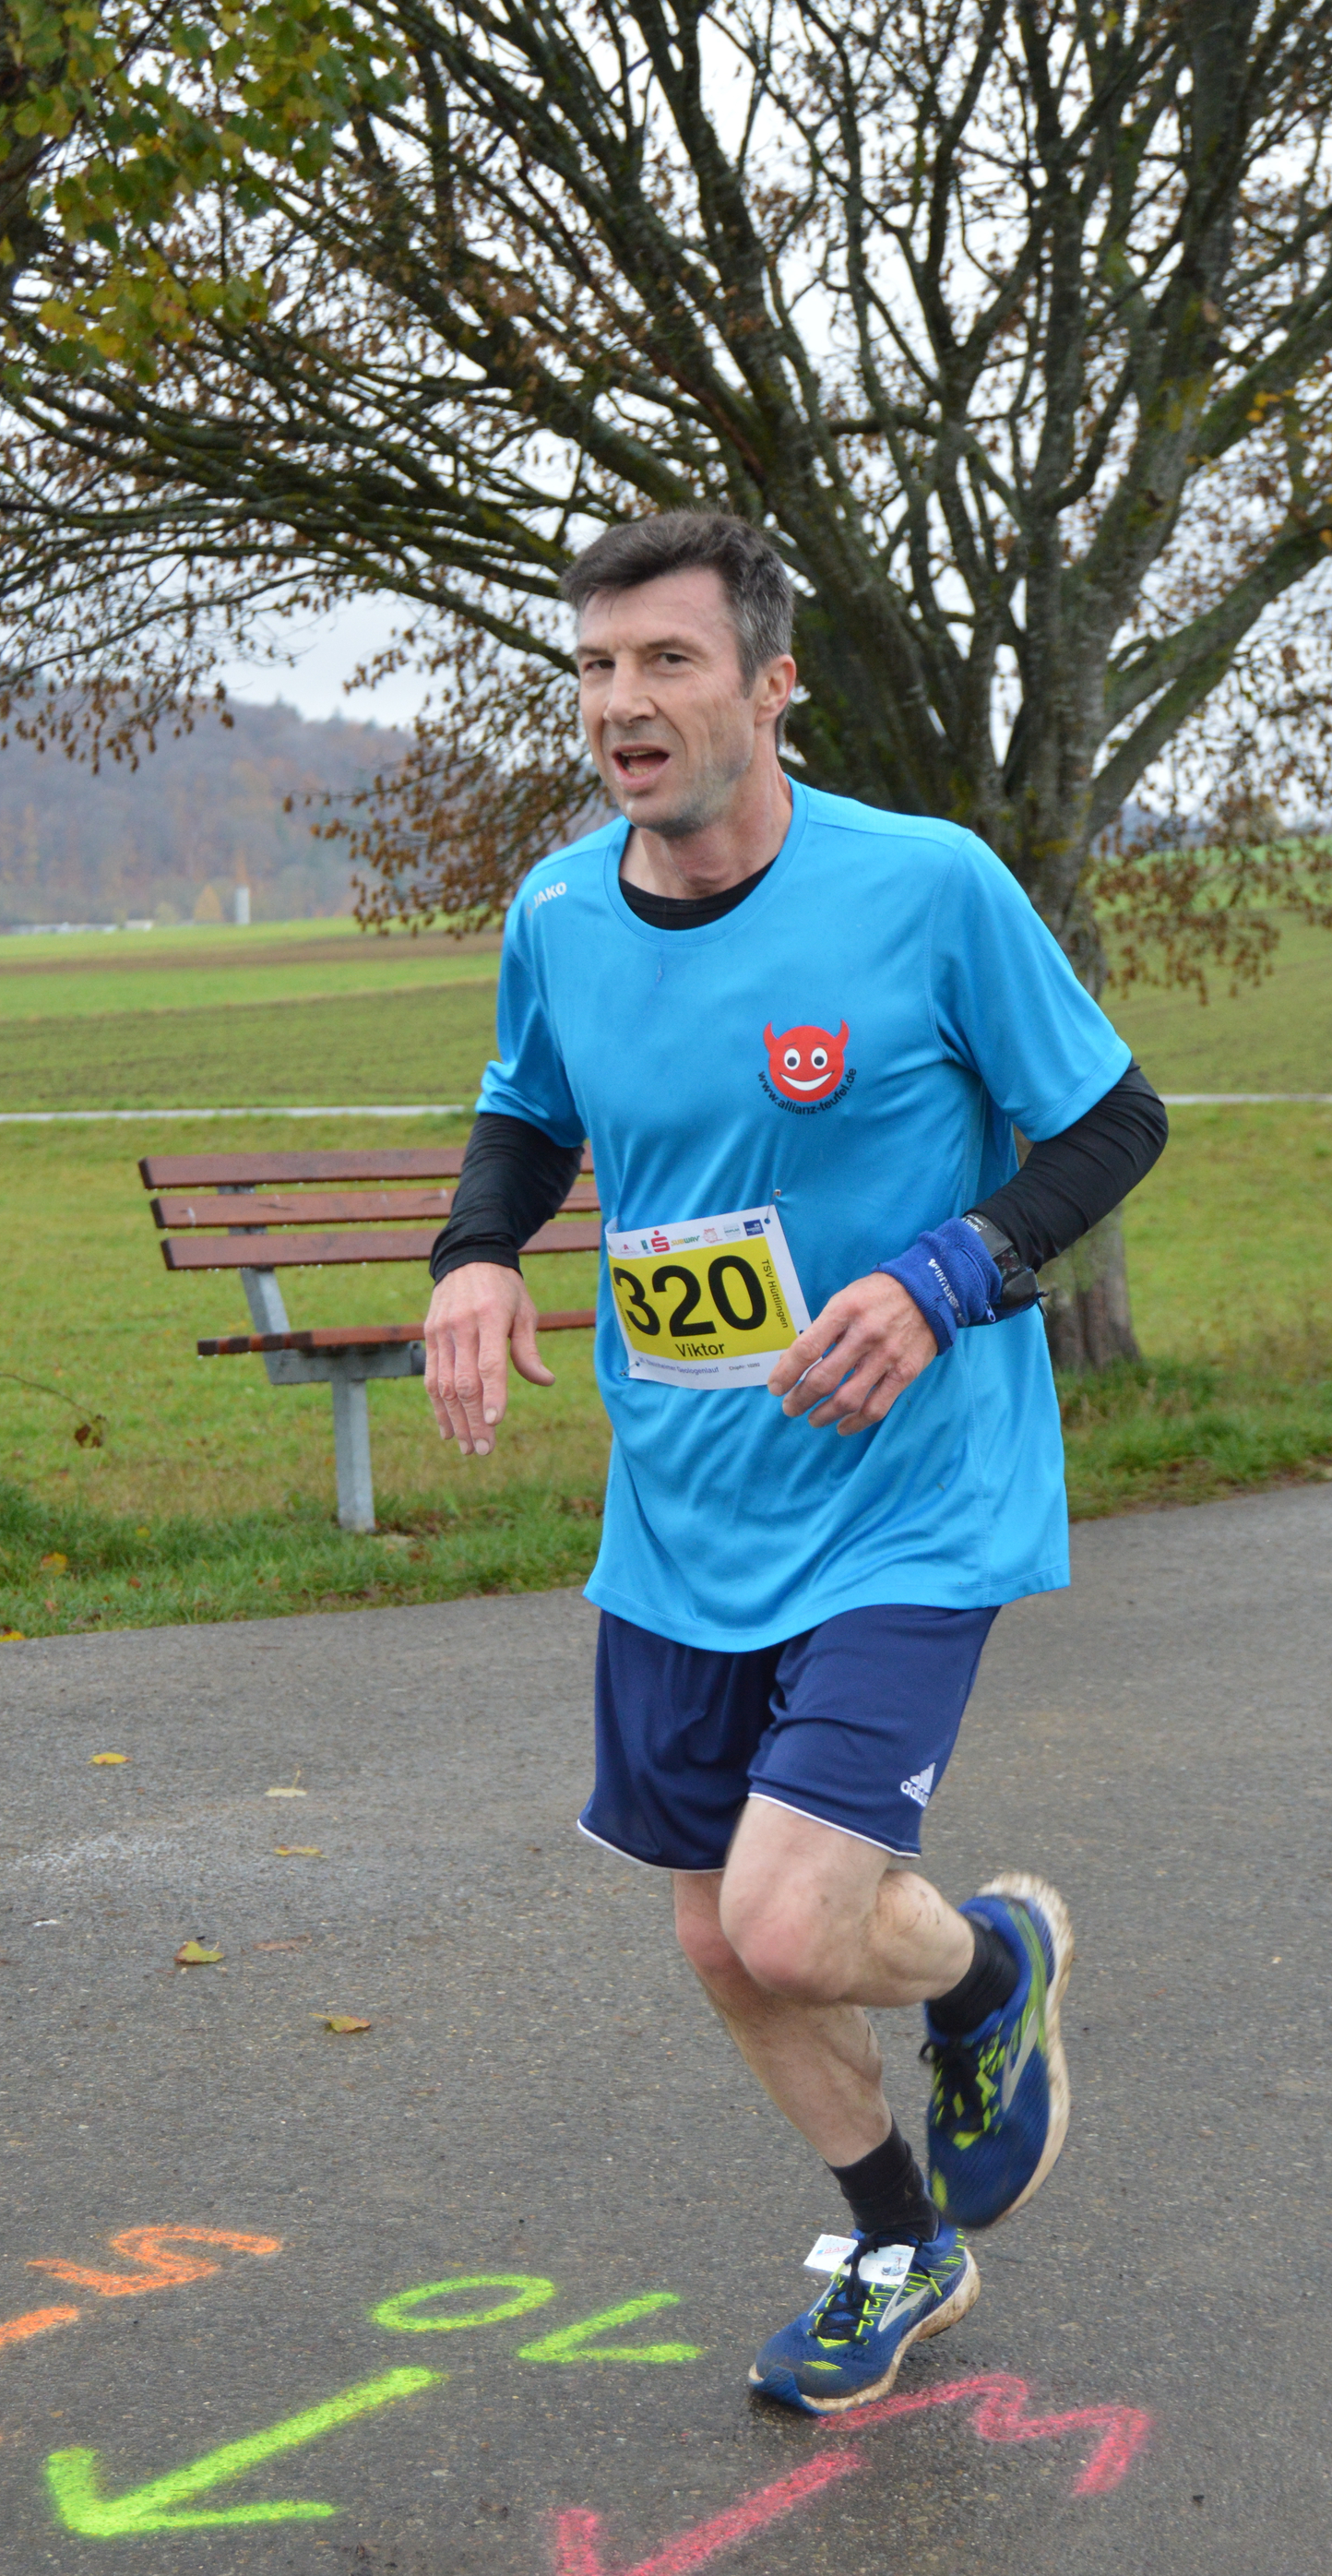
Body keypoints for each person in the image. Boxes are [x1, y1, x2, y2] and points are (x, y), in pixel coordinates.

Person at [422, 511, 1167, 2415]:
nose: (621, 702)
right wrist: (477, 1255)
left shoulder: (927, 886)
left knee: (789, 1912)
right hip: (684, 1503)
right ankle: (899, 2240)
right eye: (596, 668)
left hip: (912, 1488)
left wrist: (944, 1277)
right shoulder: (559, 912)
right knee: (722, 1938)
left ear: (771, 685)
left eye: (666, 661)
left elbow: (1112, 1123)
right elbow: (525, 1113)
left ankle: (985, 1971)